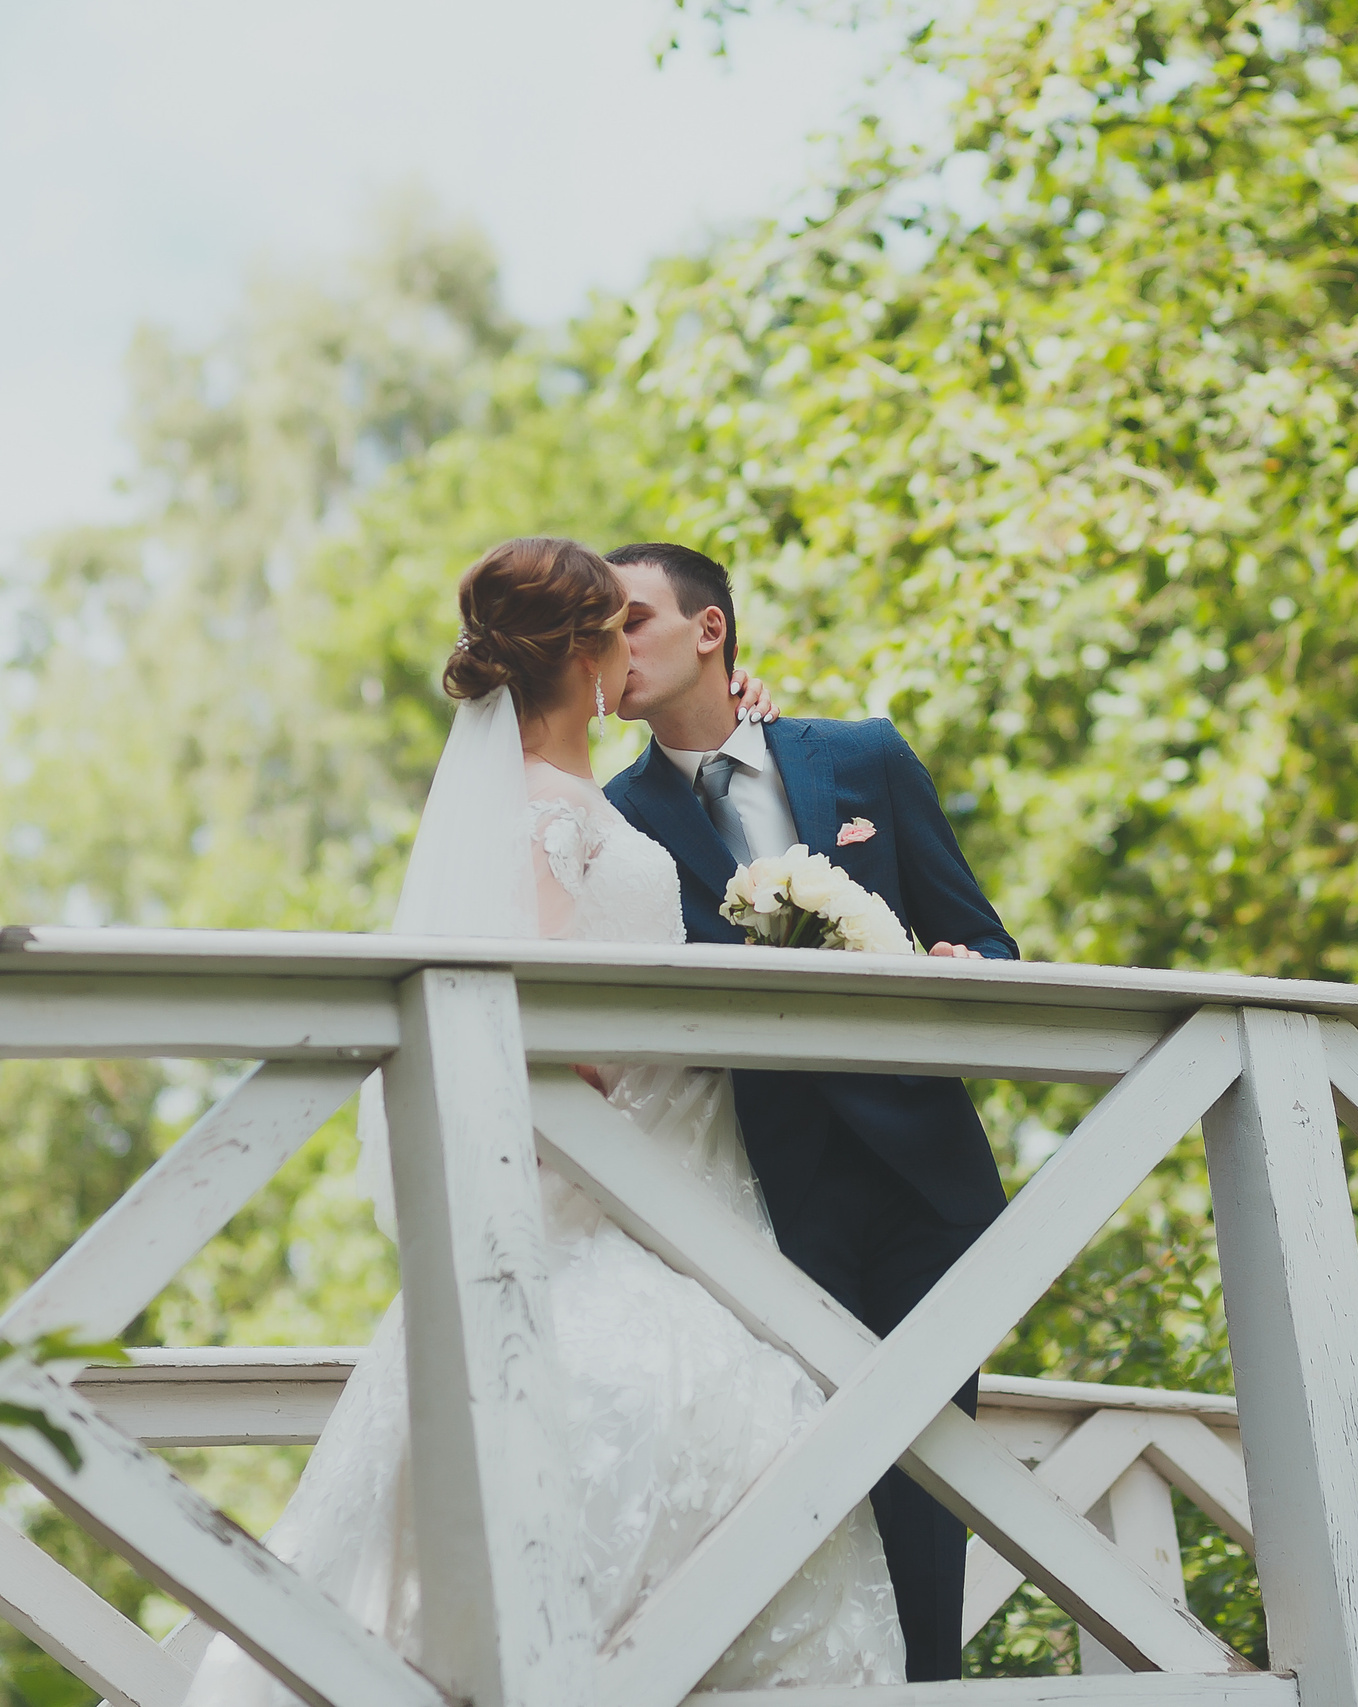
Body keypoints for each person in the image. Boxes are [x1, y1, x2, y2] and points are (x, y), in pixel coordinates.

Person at [182, 539, 905, 1705]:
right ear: (586, 651)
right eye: (620, 628)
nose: (637, 649)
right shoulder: (548, 816)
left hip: (691, 1194)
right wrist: (632, 1069)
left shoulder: (574, 801)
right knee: (701, 1436)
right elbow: (525, 1013)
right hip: (621, 1186)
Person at [600, 541, 1016, 1683]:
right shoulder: (611, 822)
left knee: (930, 1483)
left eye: (631, 619)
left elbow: (983, 932)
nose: (611, 644)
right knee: (804, 1494)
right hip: (759, 1199)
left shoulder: (864, 757)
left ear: (710, 631)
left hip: (924, 1182)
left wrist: (959, 964)